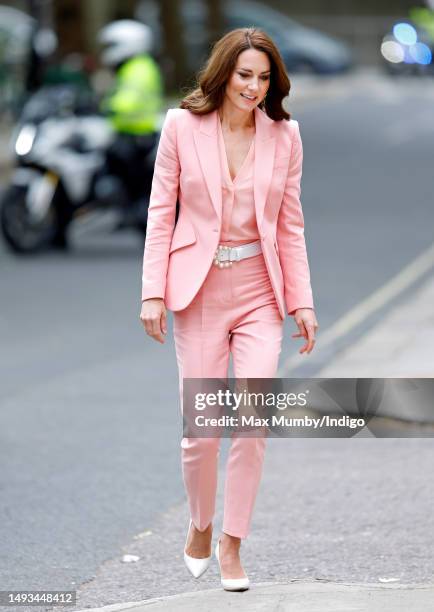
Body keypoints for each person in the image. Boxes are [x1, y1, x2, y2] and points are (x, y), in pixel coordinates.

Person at [139, 27, 318, 592]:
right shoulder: (180, 127)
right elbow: (160, 213)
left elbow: (290, 227)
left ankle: (232, 544)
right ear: (224, 73)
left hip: (260, 292)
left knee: (253, 424)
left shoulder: (285, 137)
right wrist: (152, 290)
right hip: (198, 291)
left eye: (264, 78)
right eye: (245, 75)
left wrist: (301, 302)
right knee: (202, 431)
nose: (254, 87)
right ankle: (200, 523)